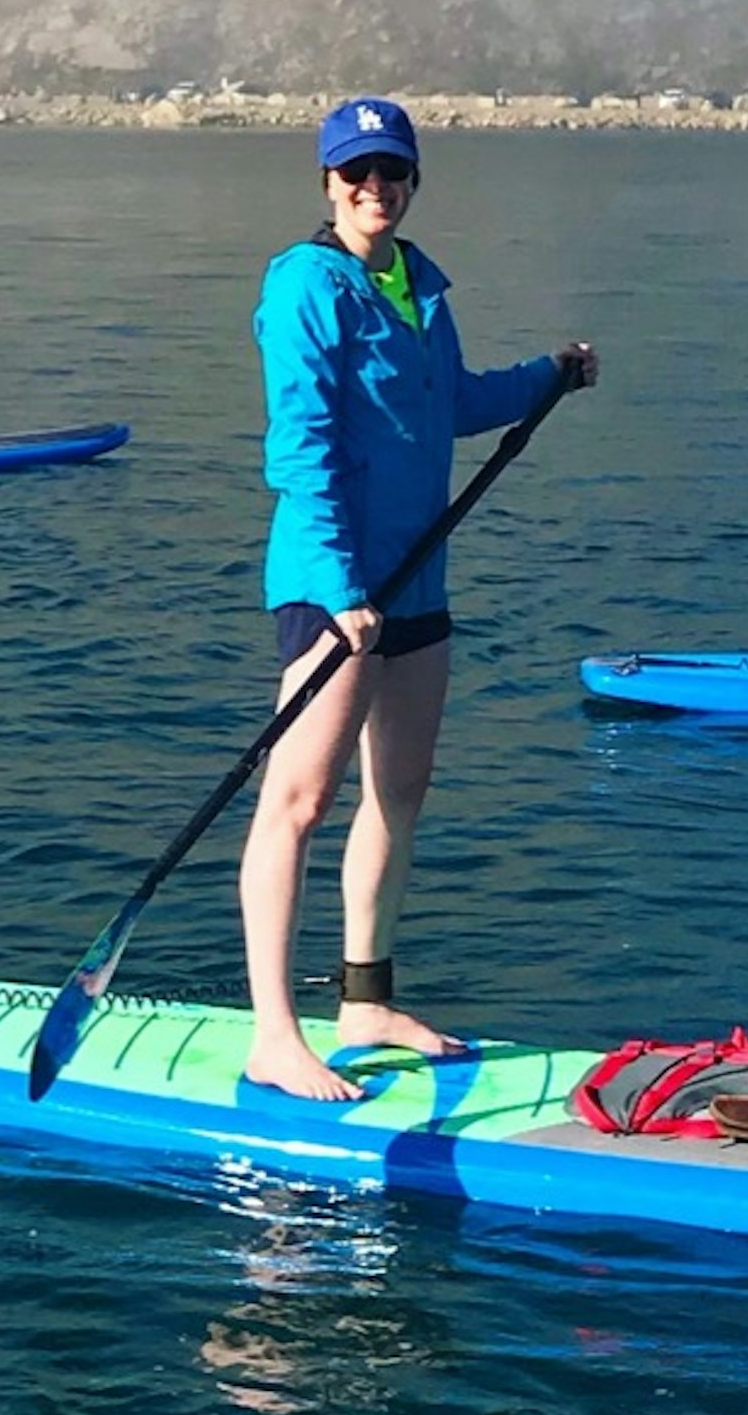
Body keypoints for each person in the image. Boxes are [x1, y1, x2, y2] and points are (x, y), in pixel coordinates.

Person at [242, 97, 597, 1104]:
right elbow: (299, 451)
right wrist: (342, 588)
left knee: (398, 793)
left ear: (410, 182)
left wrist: (550, 378)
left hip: (421, 577)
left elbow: (453, 405)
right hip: (335, 585)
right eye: (355, 174)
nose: (374, 189)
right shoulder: (307, 287)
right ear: (326, 184)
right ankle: (276, 1032)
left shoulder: (418, 286)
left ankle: (363, 1000)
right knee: (301, 801)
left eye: (391, 172)